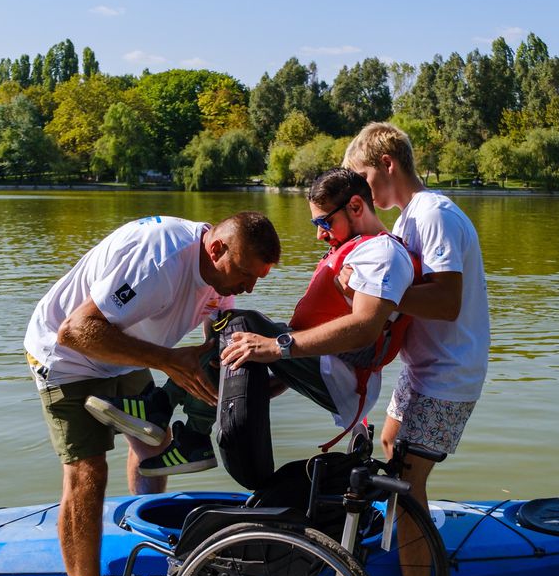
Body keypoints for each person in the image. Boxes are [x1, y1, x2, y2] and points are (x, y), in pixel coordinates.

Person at [24, 212, 280, 576]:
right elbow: (76, 331)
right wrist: (167, 361)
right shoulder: (158, 260)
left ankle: (149, 541)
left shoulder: (222, 273)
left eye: (258, 278)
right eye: (244, 274)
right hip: (67, 354)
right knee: (87, 472)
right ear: (216, 249)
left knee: (154, 449)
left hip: (125, 349)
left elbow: (215, 343)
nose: (248, 287)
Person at [93, 168, 419, 469]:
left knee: (242, 324)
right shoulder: (359, 250)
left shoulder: (382, 253)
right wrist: (259, 377)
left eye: (324, 223)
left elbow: (365, 329)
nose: (320, 235)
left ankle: (161, 408)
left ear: (357, 207)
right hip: (330, 369)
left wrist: (277, 348)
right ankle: (191, 437)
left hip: (348, 380)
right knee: (233, 335)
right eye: (316, 226)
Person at [342, 122, 490, 576]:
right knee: (388, 447)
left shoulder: (435, 214)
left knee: (405, 488)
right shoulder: (407, 220)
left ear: (387, 163)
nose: (360, 193)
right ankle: (412, 547)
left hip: (449, 373)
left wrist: (378, 298)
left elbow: (447, 302)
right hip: (421, 369)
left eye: (362, 178)